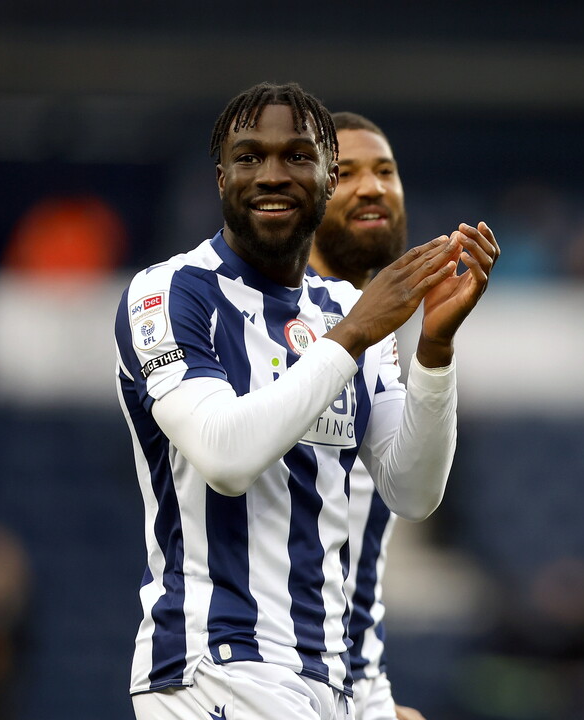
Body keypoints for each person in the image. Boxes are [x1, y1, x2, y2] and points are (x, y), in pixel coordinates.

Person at [114, 81, 499, 720]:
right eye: (248, 157)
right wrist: (350, 338)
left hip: (326, 677)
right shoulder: (168, 293)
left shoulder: (344, 310)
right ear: (219, 178)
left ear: (325, 181)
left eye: (296, 157)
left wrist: (434, 350)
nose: (270, 174)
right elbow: (224, 455)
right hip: (217, 666)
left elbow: (412, 490)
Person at [309, 111, 421, 720]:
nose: (372, 187)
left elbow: (411, 491)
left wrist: (373, 698)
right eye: (344, 172)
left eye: (385, 170)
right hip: (261, 681)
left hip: (353, 681)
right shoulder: (269, 325)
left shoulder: (381, 338)